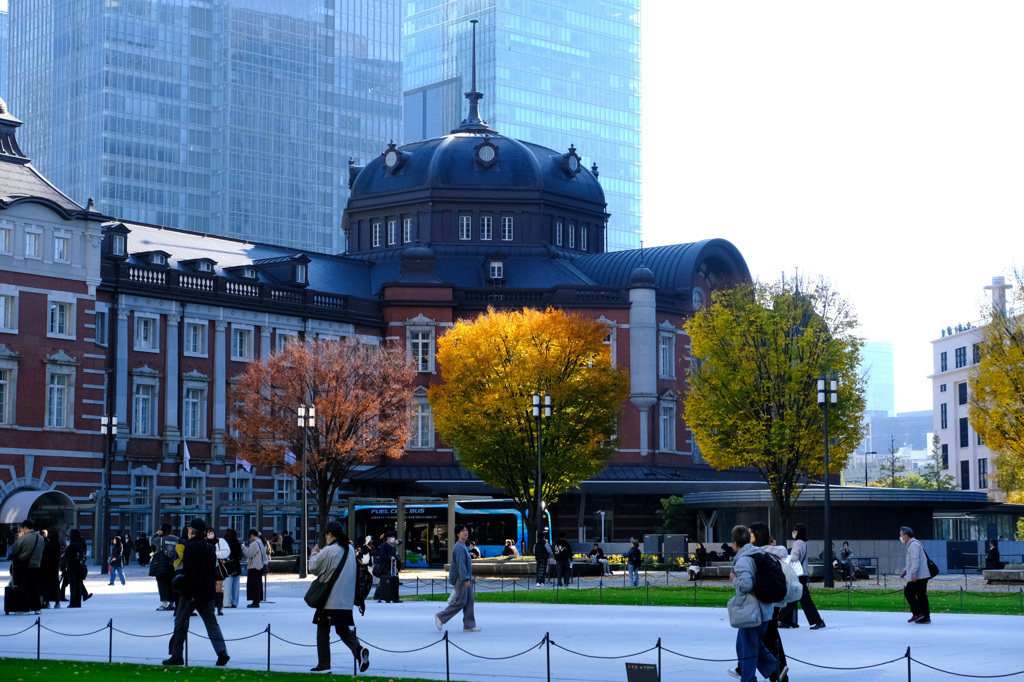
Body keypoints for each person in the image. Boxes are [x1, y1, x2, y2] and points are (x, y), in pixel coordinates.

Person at [162, 518, 230, 667]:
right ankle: (222, 652)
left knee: (180, 622)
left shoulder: (191, 547)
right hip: (207, 591)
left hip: (192, 592)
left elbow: (190, 572)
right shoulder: (209, 547)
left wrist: (188, 592)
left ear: (192, 531)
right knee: (211, 623)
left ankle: (177, 655)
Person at [728, 522, 790, 682]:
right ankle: (776, 670)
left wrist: (734, 580)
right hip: (764, 610)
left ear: (735, 544)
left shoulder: (743, 559)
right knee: (751, 646)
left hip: (751, 612)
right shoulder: (759, 554)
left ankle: (749, 679)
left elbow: (746, 584)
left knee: (747, 648)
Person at [308, 522, 370, 673]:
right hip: (346, 600)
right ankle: (358, 651)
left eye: (326, 535)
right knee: (343, 630)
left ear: (329, 534)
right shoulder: (349, 549)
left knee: (322, 631)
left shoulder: (329, 550)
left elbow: (313, 568)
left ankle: (324, 665)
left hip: (329, 599)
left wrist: (314, 552)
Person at [777, 523, 825, 630]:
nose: (793, 533)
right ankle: (784, 620)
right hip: (803, 574)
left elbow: (794, 557)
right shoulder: (803, 543)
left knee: (801, 599)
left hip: (798, 575)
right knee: (795, 598)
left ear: (798, 532)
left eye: (795, 530)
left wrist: (787, 554)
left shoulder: (797, 543)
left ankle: (817, 621)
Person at [434, 523, 479, 632]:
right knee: (461, 601)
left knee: (469, 601)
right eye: (463, 531)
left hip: (464, 577)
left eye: (466, 531)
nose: (466, 532)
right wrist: (465, 579)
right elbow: (460, 565)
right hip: (461, 578)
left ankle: (469, 625)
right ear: (458, 534)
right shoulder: (459, 547)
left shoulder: (463, 545)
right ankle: (441, 617)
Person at [10, 519, 45, 613]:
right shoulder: (40, 538)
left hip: (24, 566)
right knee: (34, 587)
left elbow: (14, 550)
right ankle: (37, 608)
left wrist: (19, 537)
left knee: (24, 587)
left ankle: (25, 608)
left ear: (25, 528)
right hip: (36, 565)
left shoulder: (23, 538)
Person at [900, 526, 931, 624]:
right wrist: (905, 570)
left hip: (919, 575)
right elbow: (911, 561)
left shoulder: (913, 545)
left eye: (901, 535)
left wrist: (912, 573)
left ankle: (917, 613)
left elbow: (915, 560)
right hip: (922, 575)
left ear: (906, 536)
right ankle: (925, 617)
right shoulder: (914, 544)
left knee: (908, 592)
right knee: (921, 595)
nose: (900, 537)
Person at [152, 524, 179, 611]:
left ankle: (164, 604)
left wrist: (157, 534)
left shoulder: (159, 540)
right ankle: (172, 603)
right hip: (174, 565)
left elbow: (151, 541)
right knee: (173, 584)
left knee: (162, 584)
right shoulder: (177, 539)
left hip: (162, 565)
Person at [64, 529, 91, 607]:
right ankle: (78, 603)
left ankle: (73, 603)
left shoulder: (71, 545)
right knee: (79, 584)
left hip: (72, 565)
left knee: (73, 585)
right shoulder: (82, 544)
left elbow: (66, 555)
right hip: (80, 566)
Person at [208, 528, 230, 615]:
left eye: (211, 532)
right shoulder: (204, 542)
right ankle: (212, 606)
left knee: (219, 588)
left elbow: (226, 552)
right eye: (208, 532)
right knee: (211, 588)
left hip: (218, 567)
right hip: (208, 568)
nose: (210, 534)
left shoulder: (220, 541)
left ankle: (219, 607)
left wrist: (214, 555)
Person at [244, 528, 267, 607]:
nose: (250, 538)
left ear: (252, 535)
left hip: (254, 566)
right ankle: (257, 600)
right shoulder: (260, 542)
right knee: (258, 585)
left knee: (253, 585)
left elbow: (248, 554)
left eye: (250, 537)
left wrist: (244, 548)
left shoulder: (254, 544)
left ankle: (255, 602)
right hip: (259, 566)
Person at [40, 529, 62, 608]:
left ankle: (47, 602)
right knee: (55, 585)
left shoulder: (47, 545)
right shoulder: (57, 544)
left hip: (46, 567)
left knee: (46, 585)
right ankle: (57, 601)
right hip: (54, 567)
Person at [223, 528, 244, 608]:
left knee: (227, 585)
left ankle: (227, 602)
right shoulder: (237, 543)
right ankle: (235, 602)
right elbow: (239, 555)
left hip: (229, 566)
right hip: (236, 565)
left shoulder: (227, 544)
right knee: (236, 586)